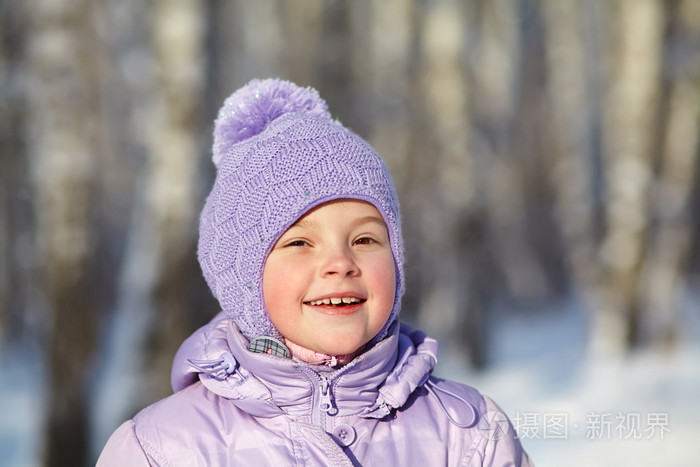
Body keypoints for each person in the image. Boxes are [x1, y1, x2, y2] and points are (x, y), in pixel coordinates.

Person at [97, 78, 532, 466]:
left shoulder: (467, 435)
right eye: (300, 243)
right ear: (243, 278)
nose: (340, 264)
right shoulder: (164, 448)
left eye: (364, 240)